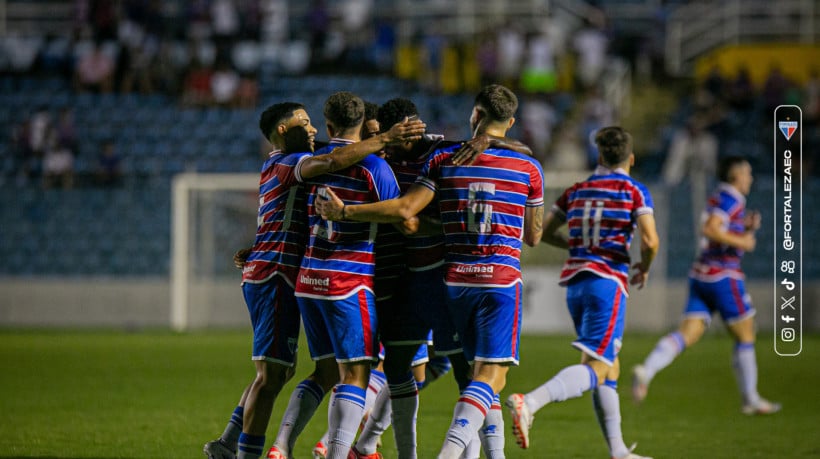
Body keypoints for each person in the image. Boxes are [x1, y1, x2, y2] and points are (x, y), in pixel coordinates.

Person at [314, 84, 545, 459]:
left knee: (469, 373)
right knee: (402, 368)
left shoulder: (440, 152)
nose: (395, 141)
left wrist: (491, 143)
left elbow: (409, 212)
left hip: (440, 277)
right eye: (385, 136)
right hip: (397, 279)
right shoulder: (379, 159)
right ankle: (395, 451)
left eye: (407, 133)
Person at [203, 100, 425, 459]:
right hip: (315, 278)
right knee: (311, 373)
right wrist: (387, 147)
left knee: (298, 371)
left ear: (330, 124)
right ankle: (255, 451)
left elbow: (295, 211)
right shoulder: (309, 163)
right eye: (303, 124)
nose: (311, 131)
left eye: (313, 124)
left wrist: (259, 247)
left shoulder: (299, 167)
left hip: (302, 277)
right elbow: (400, 215)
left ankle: (240, 442)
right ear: (281, 130)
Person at [264, 92, 419, 459]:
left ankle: (281, 446)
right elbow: (404, 220)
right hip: (348, 280)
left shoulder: (311, 161)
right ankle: (335, 454)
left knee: (325, 371)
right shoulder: (374, 168)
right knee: (356, 375)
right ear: (364, 122)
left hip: (309, 279)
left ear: (329, 125)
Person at [505, 126, 658, 459]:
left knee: (608, 366)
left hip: (575, 283)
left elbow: (541, 231)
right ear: (630, 158)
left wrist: (576, 244)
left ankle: (618, 450)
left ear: (600, 156)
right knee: (599, 365)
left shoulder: (577, 189)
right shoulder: (633, 190)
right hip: (607, 282)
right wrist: (644, 266)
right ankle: (530, 402)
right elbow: (650, 241)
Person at [632, 156, 781, 416]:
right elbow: (710, 229)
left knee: (687, 334)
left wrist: (744, 227)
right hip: (723, 275)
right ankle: (751, 399)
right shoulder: (733, 198)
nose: (750, 178)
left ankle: (647, 370)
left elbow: (718, 225)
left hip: (701, 274)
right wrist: (743, 241)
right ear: (735, 175)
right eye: (747, 173)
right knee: (746, 335)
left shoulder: (719, 196)